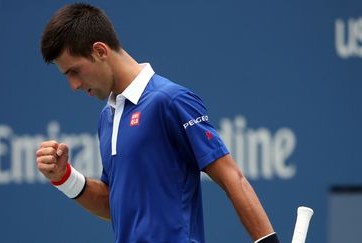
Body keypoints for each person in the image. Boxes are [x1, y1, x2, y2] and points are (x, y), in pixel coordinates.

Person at [36, 3, 280, 243]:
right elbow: (116, 206)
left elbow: (231, 177)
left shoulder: (171, 100)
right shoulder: (107, 117)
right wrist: (64, 177)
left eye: (75, 71)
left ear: (100, 51)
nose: (74, 85)